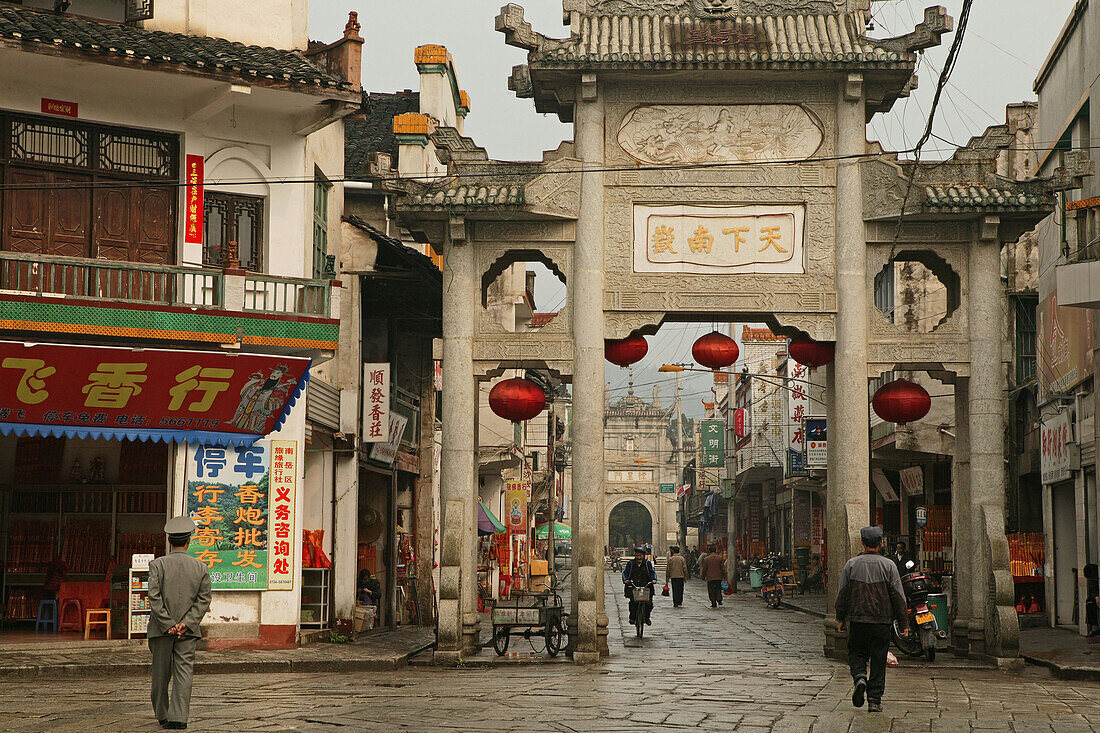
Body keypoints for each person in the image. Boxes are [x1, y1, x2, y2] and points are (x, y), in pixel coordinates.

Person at [147, 516, 212, 730]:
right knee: (184, 673)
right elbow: (203, 599)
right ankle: (179, 718)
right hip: (188, 632)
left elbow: (154, 598)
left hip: (160, 630)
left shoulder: (157, 565)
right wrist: (185, 624)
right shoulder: (201, 567)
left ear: (169, 541)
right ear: (189, 541)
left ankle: (163, 715)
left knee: (160, 674)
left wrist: (168, 624)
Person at [835, 526, 908, 715]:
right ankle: (874, 700)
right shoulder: (889, 566)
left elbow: (842, 595)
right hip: (882, 621)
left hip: (858, 619)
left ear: (862, 542)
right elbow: (898, 597)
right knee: (878, 658)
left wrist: (840, 618)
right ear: (881, 543)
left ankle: (859, 676)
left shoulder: (851, 565)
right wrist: (903, 623)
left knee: (857, 652)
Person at [622, 546, 656, 626]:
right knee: (633, 603)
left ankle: (647, 617)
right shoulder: (630, 563)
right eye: (637, 556)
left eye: (640, 556)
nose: (639, 558)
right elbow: (625, 573)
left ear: (643, 556)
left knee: (649, 604)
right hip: (634, 586)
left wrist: (653, 579)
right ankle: (632, 618)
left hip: (646, 586)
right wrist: (626, 580)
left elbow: (652, 572)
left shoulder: (647, 564)